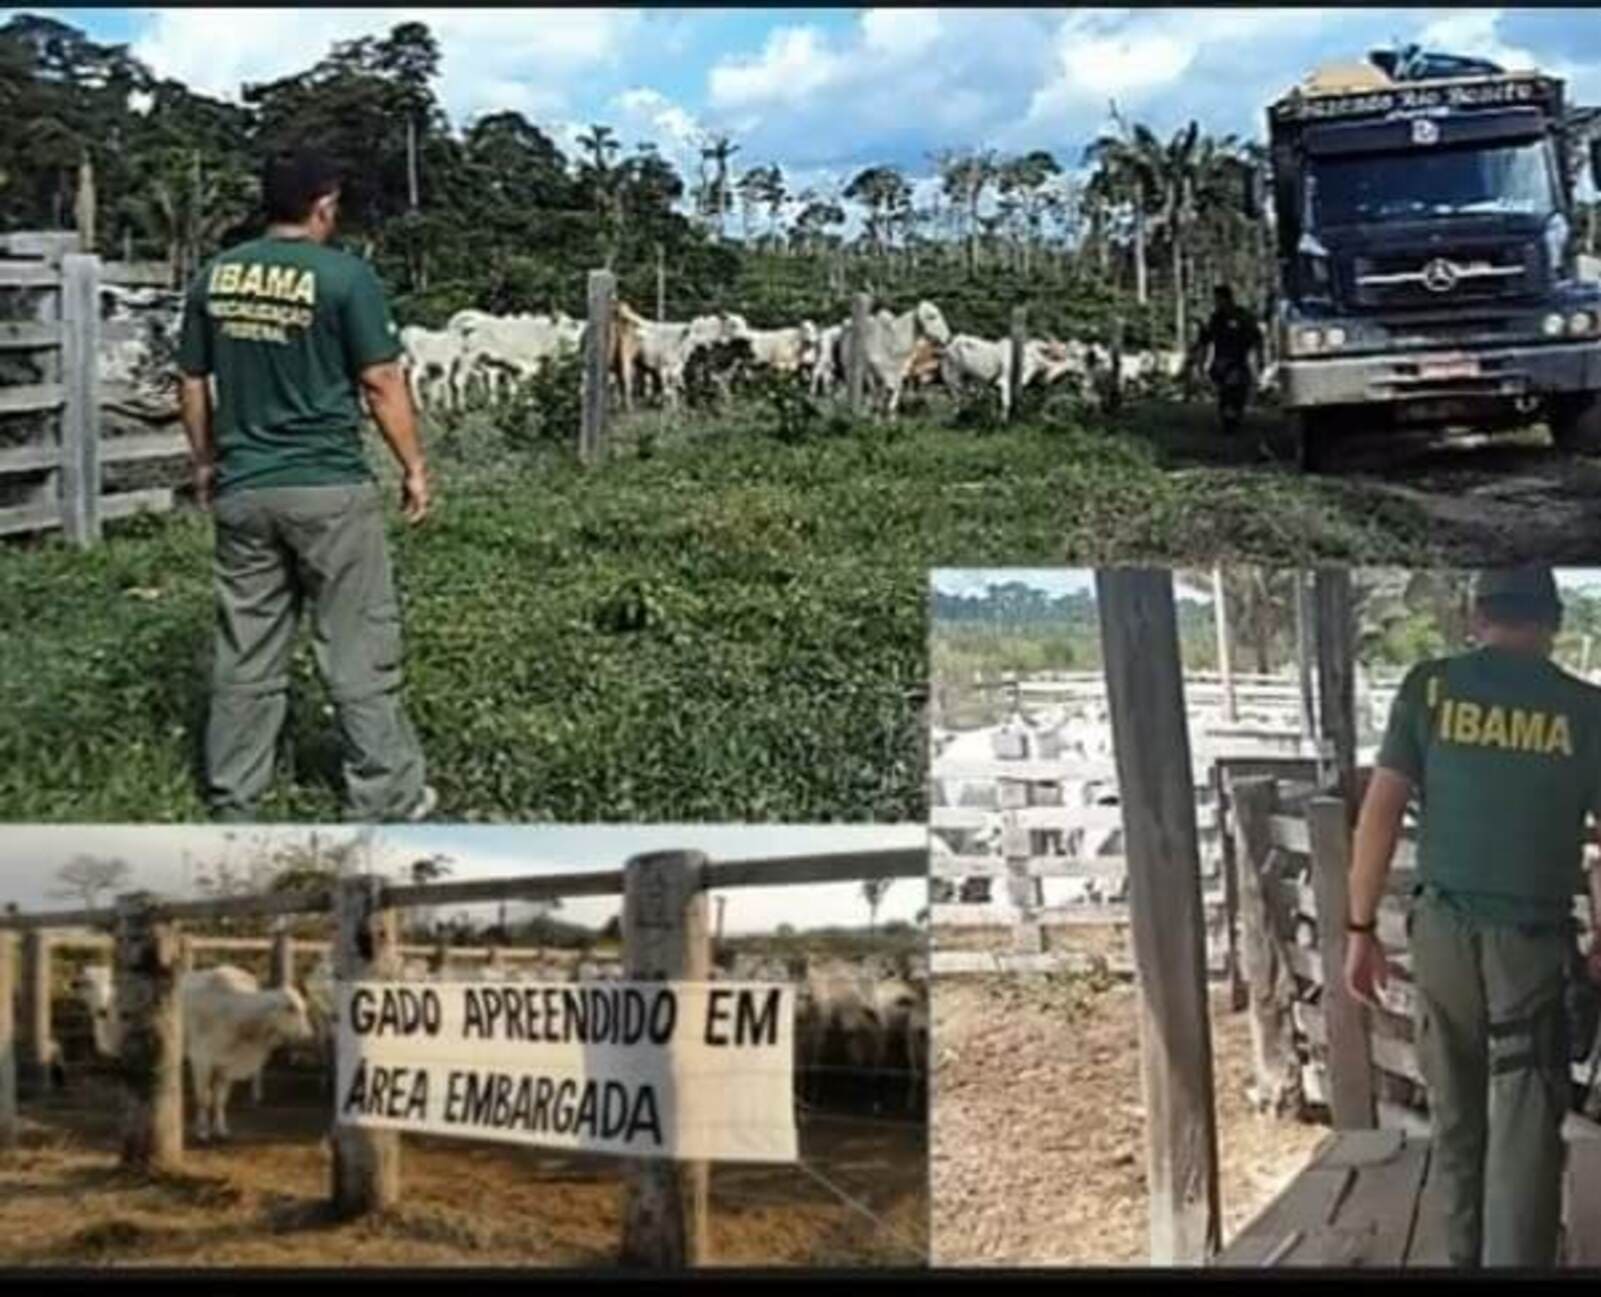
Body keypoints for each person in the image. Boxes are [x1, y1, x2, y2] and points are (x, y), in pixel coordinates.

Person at [1345, 566, 1601, 1267]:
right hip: (1530, 942)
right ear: (1550, 621)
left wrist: (1359, 928)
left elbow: (1380, 811)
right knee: (1523, 1117)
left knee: (1454, 1108)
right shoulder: (1585, 708)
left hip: (1442, 937)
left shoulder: (1429, 687)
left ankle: (1461, 1255)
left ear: (1475, 613)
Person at [176, 149, 435, 823]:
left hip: (243, 486)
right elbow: (381, 382)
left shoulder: (215, 277)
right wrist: (412, 466)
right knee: (356, 641)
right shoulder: (345, 277)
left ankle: (235, 797)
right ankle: (383, 796)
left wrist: (205, 461)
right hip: (326, 488)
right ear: (323, 204)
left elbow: (193, 381)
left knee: (246, 645)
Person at [1189, 284, 1265, 437]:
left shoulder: (1242, 316)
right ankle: (1228, 418)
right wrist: (1200, 363)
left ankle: (1234, 417)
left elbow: (1257, 339)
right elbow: (1205, 340)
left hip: (1239, 360)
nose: (1217, 303)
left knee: (1236, 391)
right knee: (1226, 392)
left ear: (1226, 299)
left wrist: (1260, 358)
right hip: (1222, 361)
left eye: (1218, 299)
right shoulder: (1216, 318)